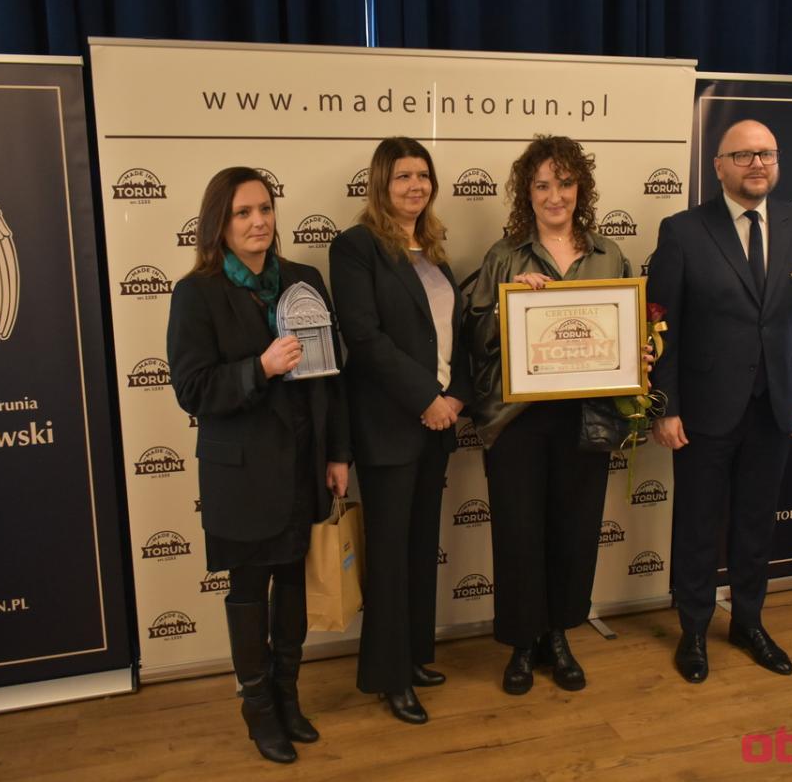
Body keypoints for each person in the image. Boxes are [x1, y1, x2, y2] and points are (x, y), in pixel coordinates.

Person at [167, 167, 350, 763]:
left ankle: (288, 698)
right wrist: (260, 368)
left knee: (293, 584)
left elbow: (332, 379)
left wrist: (338, 453)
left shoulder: (304, 279)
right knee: (249, 589)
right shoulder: (196, 293)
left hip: (302, 465)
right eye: (243, 212)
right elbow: (192, 389)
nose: (258, 222)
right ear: (219, 223)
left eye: (265, 209)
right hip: (241, 476)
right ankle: (258, 708)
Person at [466, 135, 652, 696]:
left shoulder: (609, 255)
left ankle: (560, 636)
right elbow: (475, 339)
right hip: (517, 420)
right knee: (519, 534)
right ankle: (523, 643)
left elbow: (627, 331)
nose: (555, 196)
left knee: (574, 532)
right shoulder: (504, 255)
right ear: (527, 192)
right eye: (543, 185)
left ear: (580, 189)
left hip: (587, 419)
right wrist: (511, 305)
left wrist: (639, 352)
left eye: (565, 183)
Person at [647, 119, 792, 684]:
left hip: (776, 404)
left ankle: (749, 623)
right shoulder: (683, 230)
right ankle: (694, 630)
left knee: (755, 525)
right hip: (703, 410)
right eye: (744, 155)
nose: (757, 165)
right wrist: (665, 406)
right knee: (698, 526)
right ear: (719, 165)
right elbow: (660, 326)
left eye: (766, 154)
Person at [329, 137, 472, 725]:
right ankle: (388, 678)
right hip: (389, 427)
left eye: (423, 175)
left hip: (437, 425)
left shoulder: (433, 251)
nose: (416, 186)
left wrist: (455, 396)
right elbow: (364, 339)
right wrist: (426, 398)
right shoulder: (356, 247)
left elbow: (453, 335)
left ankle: (412, 657)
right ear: (381, 184)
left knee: (417, 549)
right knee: (389, 557)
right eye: (403, 176)